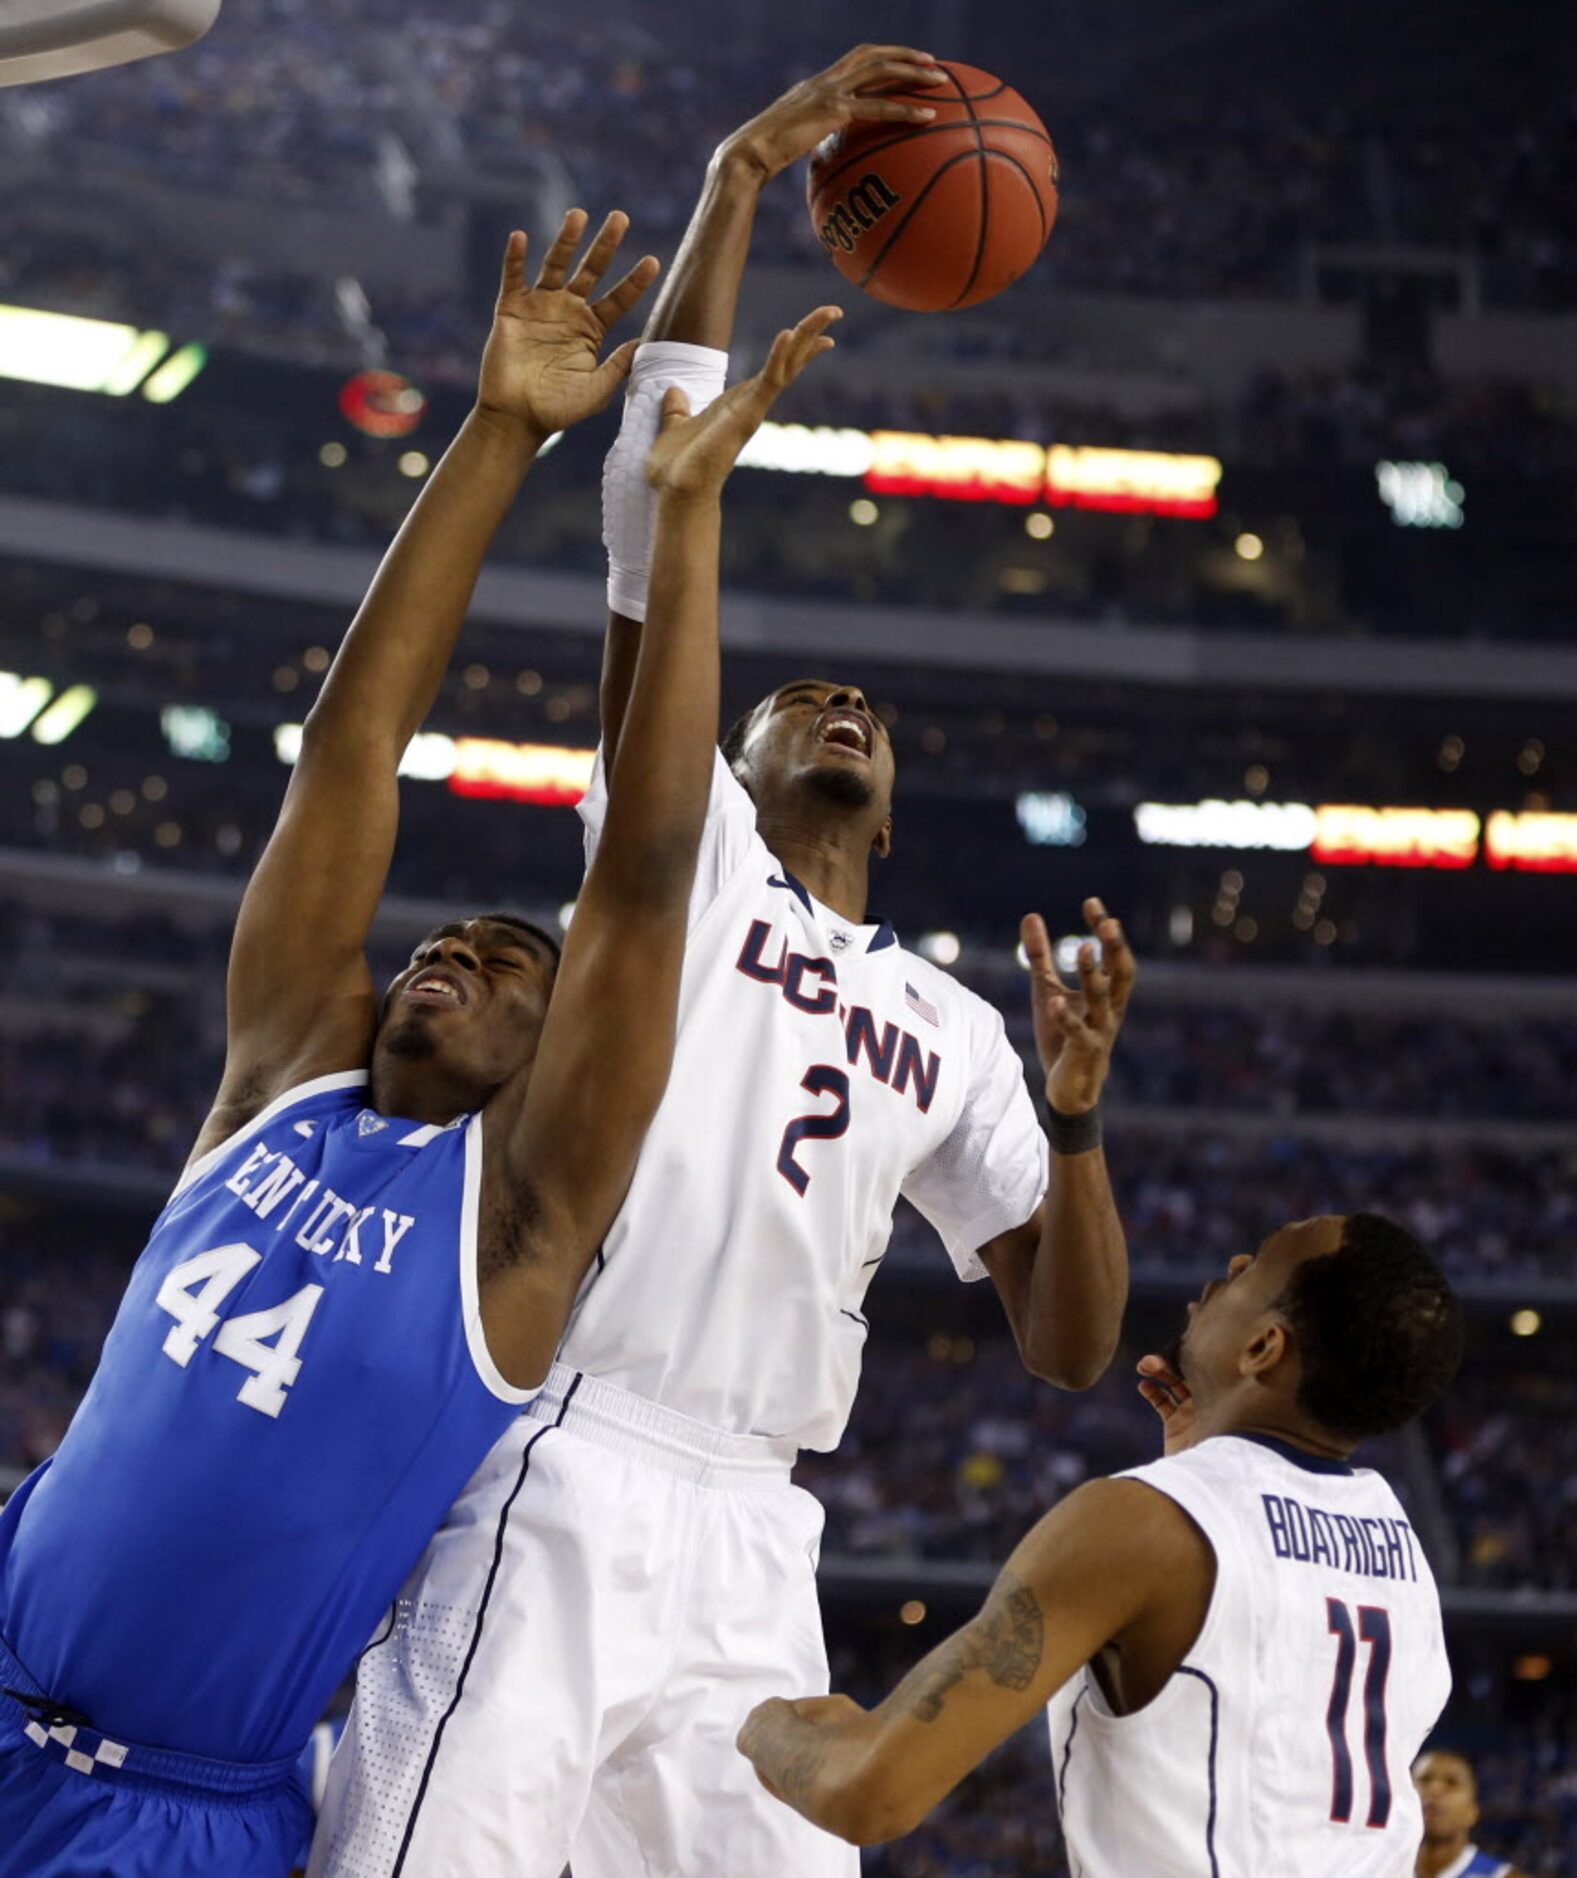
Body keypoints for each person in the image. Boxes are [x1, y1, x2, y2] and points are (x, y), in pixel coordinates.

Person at [312, 47, 1134, 1878]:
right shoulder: (686, 864)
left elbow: (1069, 1347)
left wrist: (1075, 1119)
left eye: (864, 705)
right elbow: (651, 496)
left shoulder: (947, 1022)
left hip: (763, 1532)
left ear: (897, 800)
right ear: (720, 756)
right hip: (563, 1453)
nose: (839, 703)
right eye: (794, 699)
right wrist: (739, 181)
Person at [0, 205, 837, 1878]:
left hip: (170, 1806)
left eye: (512, 959)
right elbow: (347, 750)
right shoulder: (276, 1088)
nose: (456, 942)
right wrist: (494, 433)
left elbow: (649, 877)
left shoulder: (518, 1225)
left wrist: (677, 536)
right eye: (447, 937)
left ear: (557, 1065)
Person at [740, 1212, 1465, 1877]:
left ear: (1261, 1347)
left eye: (1255, 1269)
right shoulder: (1398, 1548)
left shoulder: (1140, 1524)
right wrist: (1198, 1472)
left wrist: (760, 1726)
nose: (1231, 1263)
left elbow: (872, 1796)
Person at [1412, 1749, 1527, 1878]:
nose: (1435, 1789)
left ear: (1472, 1812)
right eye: (1425, 1780)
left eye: (1451, 1782)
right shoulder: (1385, 1867)